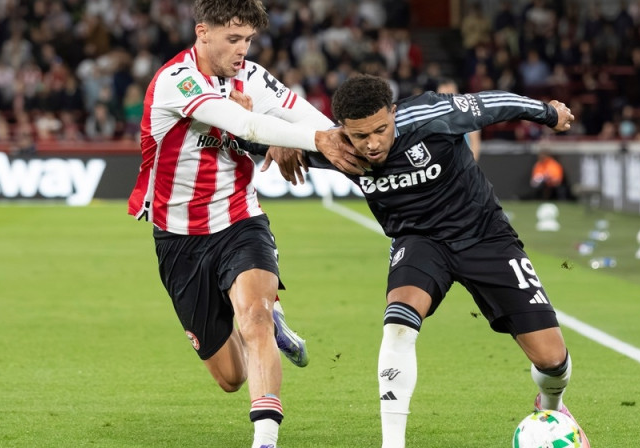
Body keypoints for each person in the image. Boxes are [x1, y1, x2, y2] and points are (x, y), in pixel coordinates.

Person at [289, 75, 589, 447]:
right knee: (398, 321)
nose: (371, 144)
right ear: (342, 132)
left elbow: (493, 104)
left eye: (381, 130)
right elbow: (247, 139)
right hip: (419, 241)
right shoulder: (337, 148)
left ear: (394, 114)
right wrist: (287, 142)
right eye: (359, 136)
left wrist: (546, 112)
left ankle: (552, 406)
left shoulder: (432, 114)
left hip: (485, 235)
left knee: (551, 359)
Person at [126, 1, 367, 447]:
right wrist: (290, 136)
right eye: (233, 39)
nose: (243, 50)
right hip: (179, 238)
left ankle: (265, 439)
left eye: (249, 40)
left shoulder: (252, 75)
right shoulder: (175, 80)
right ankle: (273, 324)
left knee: (252, 316)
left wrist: (344, 142)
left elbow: (305, 115)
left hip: (240, 219)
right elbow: (242, 122)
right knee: (230, 378)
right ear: (203, 32)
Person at [436, 78, 481, 161]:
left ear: (457, 95)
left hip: (464, 166)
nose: (445, 100)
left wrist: (470, 168)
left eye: (449, 95)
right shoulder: (434, 119)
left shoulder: (469, 116)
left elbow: (475, 144)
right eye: (441, 96)